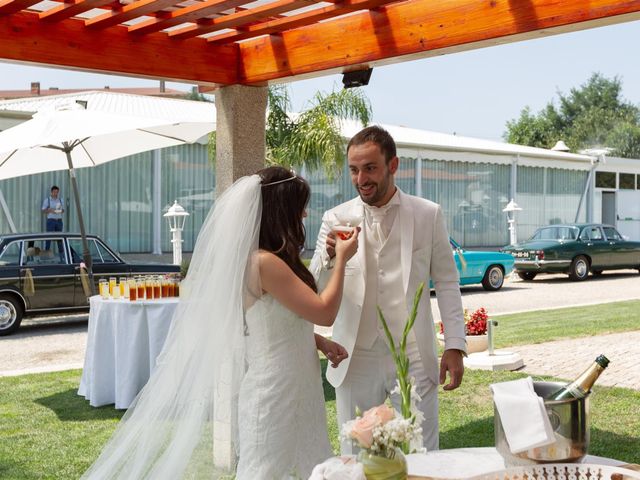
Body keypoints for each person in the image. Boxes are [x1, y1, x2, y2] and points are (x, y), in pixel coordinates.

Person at [81, 166, 358, 480]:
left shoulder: (267, 260)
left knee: (307, 467)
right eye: (300, 206)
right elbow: (324, 313)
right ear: (282, 211)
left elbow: (272, 324)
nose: (305, 214)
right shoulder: (263, 263)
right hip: (276, 390)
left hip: (297, 384)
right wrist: (344, 260)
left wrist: (318, 342)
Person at [310, 125, 467, 453]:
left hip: (413, 353)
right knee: (355, 453)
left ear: (393, 165)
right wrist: (327, 257)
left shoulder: (428, 214)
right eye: (353, 170)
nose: (361, 179)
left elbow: (448, 283)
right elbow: (316, 293)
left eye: (370, 168)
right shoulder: (335, 218)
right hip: (354, 354)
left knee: (421, 452)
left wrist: (455, 345)